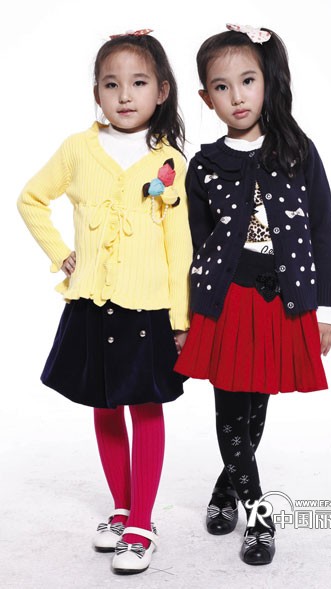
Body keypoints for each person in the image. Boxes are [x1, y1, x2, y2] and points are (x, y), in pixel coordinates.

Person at [17, 29, 192, 575]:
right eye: (111, 84)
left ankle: (142, 523)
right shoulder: (78, 149)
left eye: (138, 83)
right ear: (97, 93)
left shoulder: (168, 162)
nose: (124, 95)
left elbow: (181, 245)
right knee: (104, 404)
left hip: (148, 309)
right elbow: (31, 199)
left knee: (146, 407)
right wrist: (62, 254)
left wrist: (182, 318)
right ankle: (121, 508)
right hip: (92, 304)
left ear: (161, 91)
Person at [174, 23, 331, 566]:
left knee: (256, 412)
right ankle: (259, 514)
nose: (237, 96)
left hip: (280, 303)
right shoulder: (204, 166)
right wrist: (185, 317)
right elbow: (193, 246)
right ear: (206, 98)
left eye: (247, 81)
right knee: (230, 410)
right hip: (226, 304)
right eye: (222, 87)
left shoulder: (298, 152)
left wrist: (325, 309)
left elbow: (323, 234)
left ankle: (226, 489)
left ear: (267, 80)